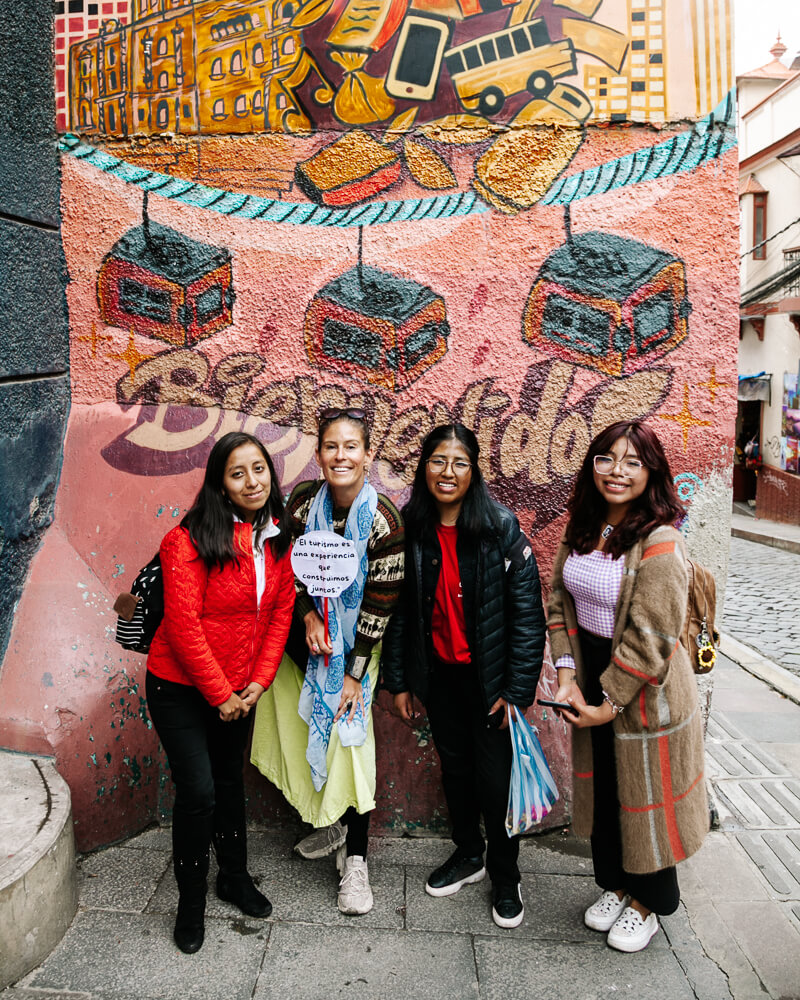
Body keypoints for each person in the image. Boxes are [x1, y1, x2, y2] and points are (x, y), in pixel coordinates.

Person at [547, 420, 708, 953]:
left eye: (632, 462)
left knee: (645, 795)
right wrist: (568, 674)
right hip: (591, 672)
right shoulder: (585, 525)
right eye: (606, 459)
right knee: (607, 791)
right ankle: (616, 886)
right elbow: (558, 602)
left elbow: (651, 637)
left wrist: (608, 702)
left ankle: (650, 904)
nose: (617, 471)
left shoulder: (659, 540)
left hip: (645, 687)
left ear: (651, 472)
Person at [382, 423, 546, 929]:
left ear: (474, 471)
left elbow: (527, 616)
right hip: (440, 678)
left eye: (458, 463)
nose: (447, 472)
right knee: (454, 772)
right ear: (423, 467)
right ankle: (469, 853)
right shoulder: (411, 526)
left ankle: (505, 871)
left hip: (490, 684)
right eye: (437, 461)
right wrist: (401, 681)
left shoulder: (500, 528)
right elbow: (399, 611)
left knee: (494, 782)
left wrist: (516, 692)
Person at [145, 431, 295, 954]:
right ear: (221, 485)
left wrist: (257, 682)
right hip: (180, 688)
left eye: (259, 469)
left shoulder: (278, 537)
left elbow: (279, 614)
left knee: (230, 783)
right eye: (238, 473)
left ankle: (233, 877)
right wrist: (220, 694)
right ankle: (190, 905)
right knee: (200, 793)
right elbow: (184, 627)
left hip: (240, 688)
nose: (252, 481)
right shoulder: (185, 541)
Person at [251, 407, 404, 915]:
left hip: (360, 644)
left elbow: (381, 603)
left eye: (351, 446)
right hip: (303, 646)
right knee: (299, 730)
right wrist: (306, 618)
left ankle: (356, 863)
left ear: (368, 454)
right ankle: (329, 818)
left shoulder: (383, 520)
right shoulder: (299, 504)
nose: (341, 455)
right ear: (317, 454)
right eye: (331, 446)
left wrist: (355, 676)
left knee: (350, 742)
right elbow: (282, 567)